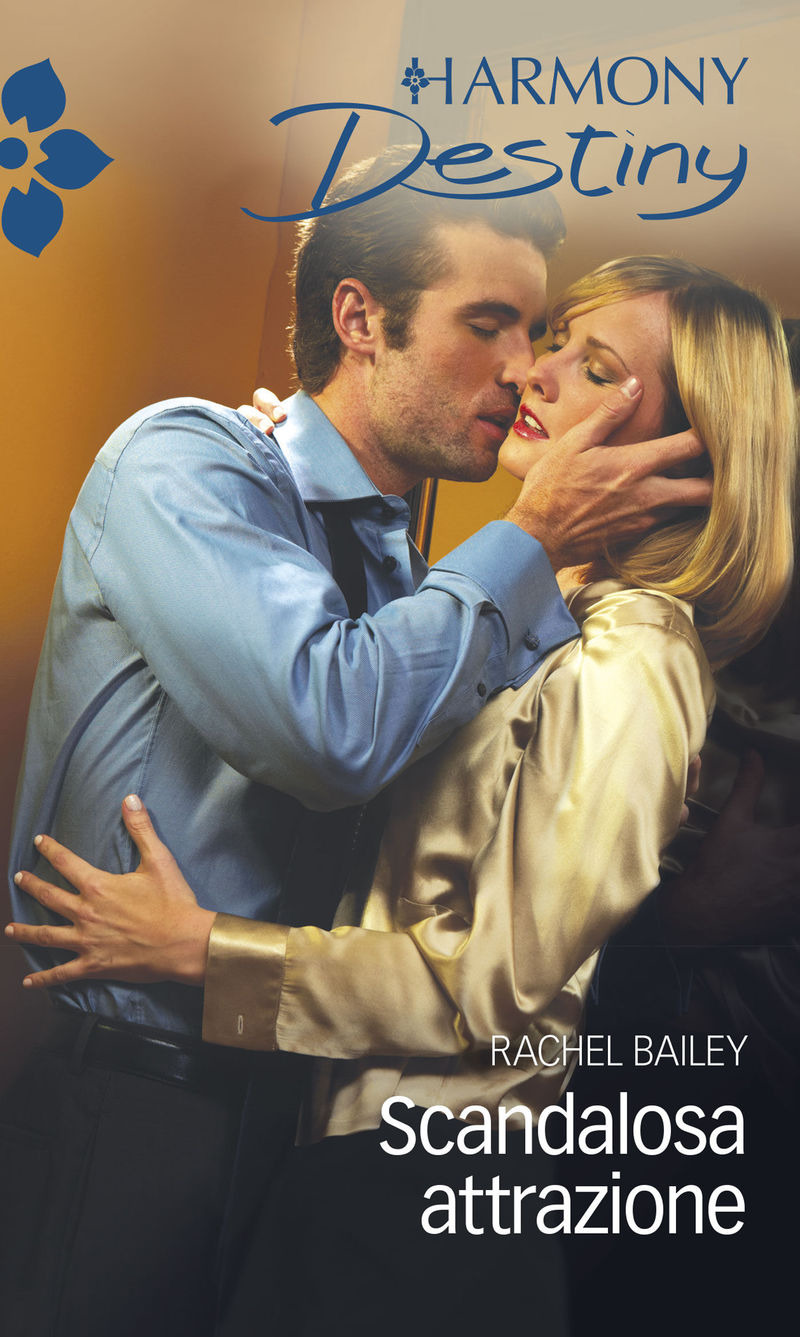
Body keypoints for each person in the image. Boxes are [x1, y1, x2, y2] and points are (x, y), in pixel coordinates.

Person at [11, 257, 796, 1336]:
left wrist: (207, 952)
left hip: (430, 1187)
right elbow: (370, 738)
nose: (531, 371)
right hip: (323, 1156)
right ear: (357, 319)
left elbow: (496, 995)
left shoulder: (637, 655)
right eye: (540, 335)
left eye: (590, 364)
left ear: (686, 448)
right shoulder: (519, 621)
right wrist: (299, 498)